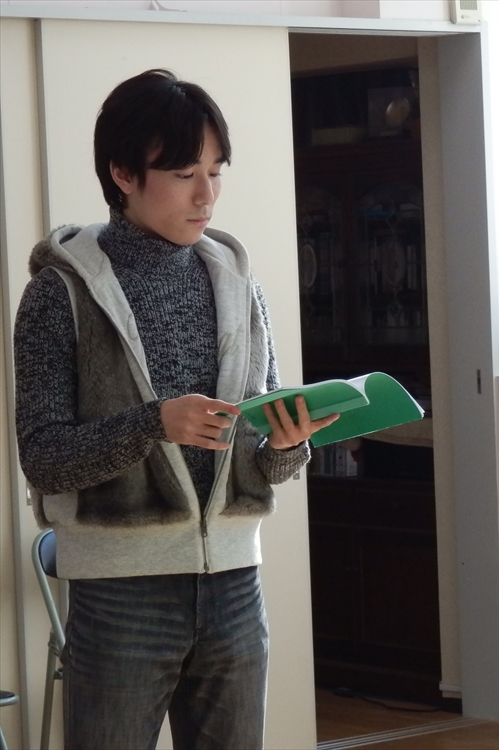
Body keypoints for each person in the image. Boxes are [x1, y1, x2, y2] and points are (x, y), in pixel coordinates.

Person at [14, 69, 336, 749]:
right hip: (119, 595)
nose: (206, 195)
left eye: (216, 172)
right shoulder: (57, 295)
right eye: (186, 173)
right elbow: (43, 458)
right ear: (123, 174)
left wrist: (288, 444)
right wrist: (153, 424)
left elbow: (263, 463)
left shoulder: (239, 286)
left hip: (235, 589)